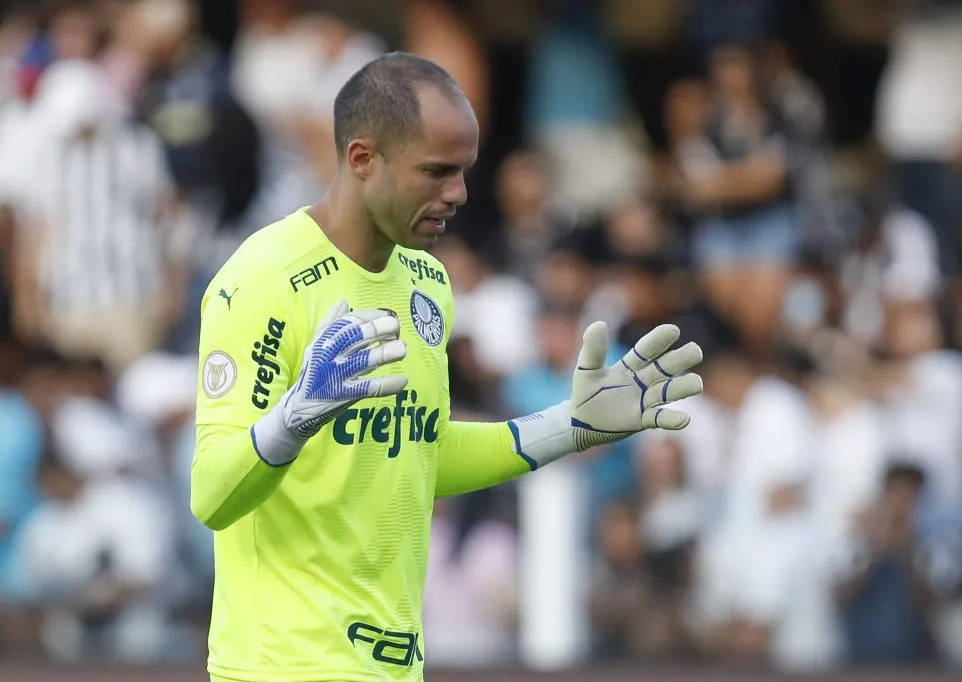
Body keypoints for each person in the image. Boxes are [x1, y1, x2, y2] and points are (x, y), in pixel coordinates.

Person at [190, 52, 705, 682]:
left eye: (463, 172)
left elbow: (417, 453)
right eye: (436, 172)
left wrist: (567, 426)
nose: (458, 194)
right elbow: (212, 493)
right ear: (362, 159)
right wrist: (293, 419)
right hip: (284, 664)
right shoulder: (262, 281)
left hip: (394, 665)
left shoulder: (426, 281)